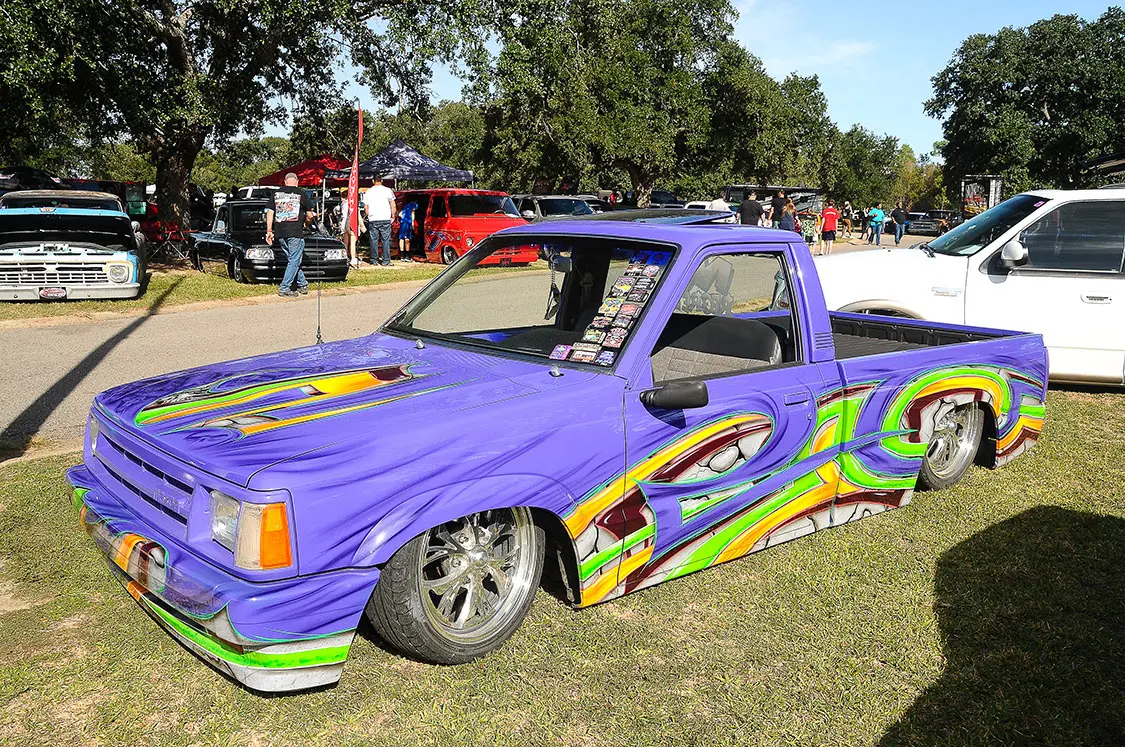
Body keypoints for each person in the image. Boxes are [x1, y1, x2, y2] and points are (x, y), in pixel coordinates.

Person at [264, 173, 314, 298]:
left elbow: (269, 212)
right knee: (294, 260)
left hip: (280, 232)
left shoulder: (276, 194)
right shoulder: (301, 193)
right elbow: (310, 215)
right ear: (297, 181)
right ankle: (285, 287)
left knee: (293, 260)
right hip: (295, 232)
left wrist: (269, 230)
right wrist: (306, 224)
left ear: (285, 181)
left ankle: (302, 284)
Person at [362, 175, 397, 266]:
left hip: (373, 219)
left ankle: (374, 260)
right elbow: (393, 205)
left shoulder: (368, 192)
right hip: (385, 218)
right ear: (382, 180)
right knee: (385, 240)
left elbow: (366, 207)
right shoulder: (388, 190)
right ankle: (386, 260)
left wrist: (368, 215)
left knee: (373, 240)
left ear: (373, 181)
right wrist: (393, 216)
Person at [339, 189, 364, 268]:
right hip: (351, 222)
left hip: (344, 223)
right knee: (353, 241)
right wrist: (362, 225)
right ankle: (353, 258)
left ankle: (346, 257)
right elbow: (357, 214)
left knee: (346, 242)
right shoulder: (352, 204)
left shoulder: (343, 204)